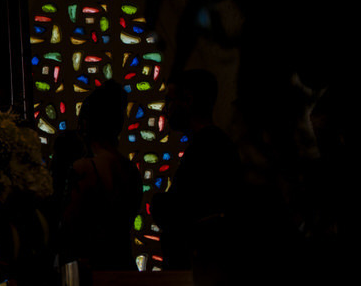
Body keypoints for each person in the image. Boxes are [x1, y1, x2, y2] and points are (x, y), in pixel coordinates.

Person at [151, 68, 241, 271]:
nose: (165, 110)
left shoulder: (206, 148)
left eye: (170, 101)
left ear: (188, 100)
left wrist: (162, 205)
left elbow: (186, 209)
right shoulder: (219, 145)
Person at [57, 81, 143, 272]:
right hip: (125, 266)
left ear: (85, 124)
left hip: (95, 271)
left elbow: (69, 226)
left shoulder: (85, 168)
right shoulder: (131, 170)